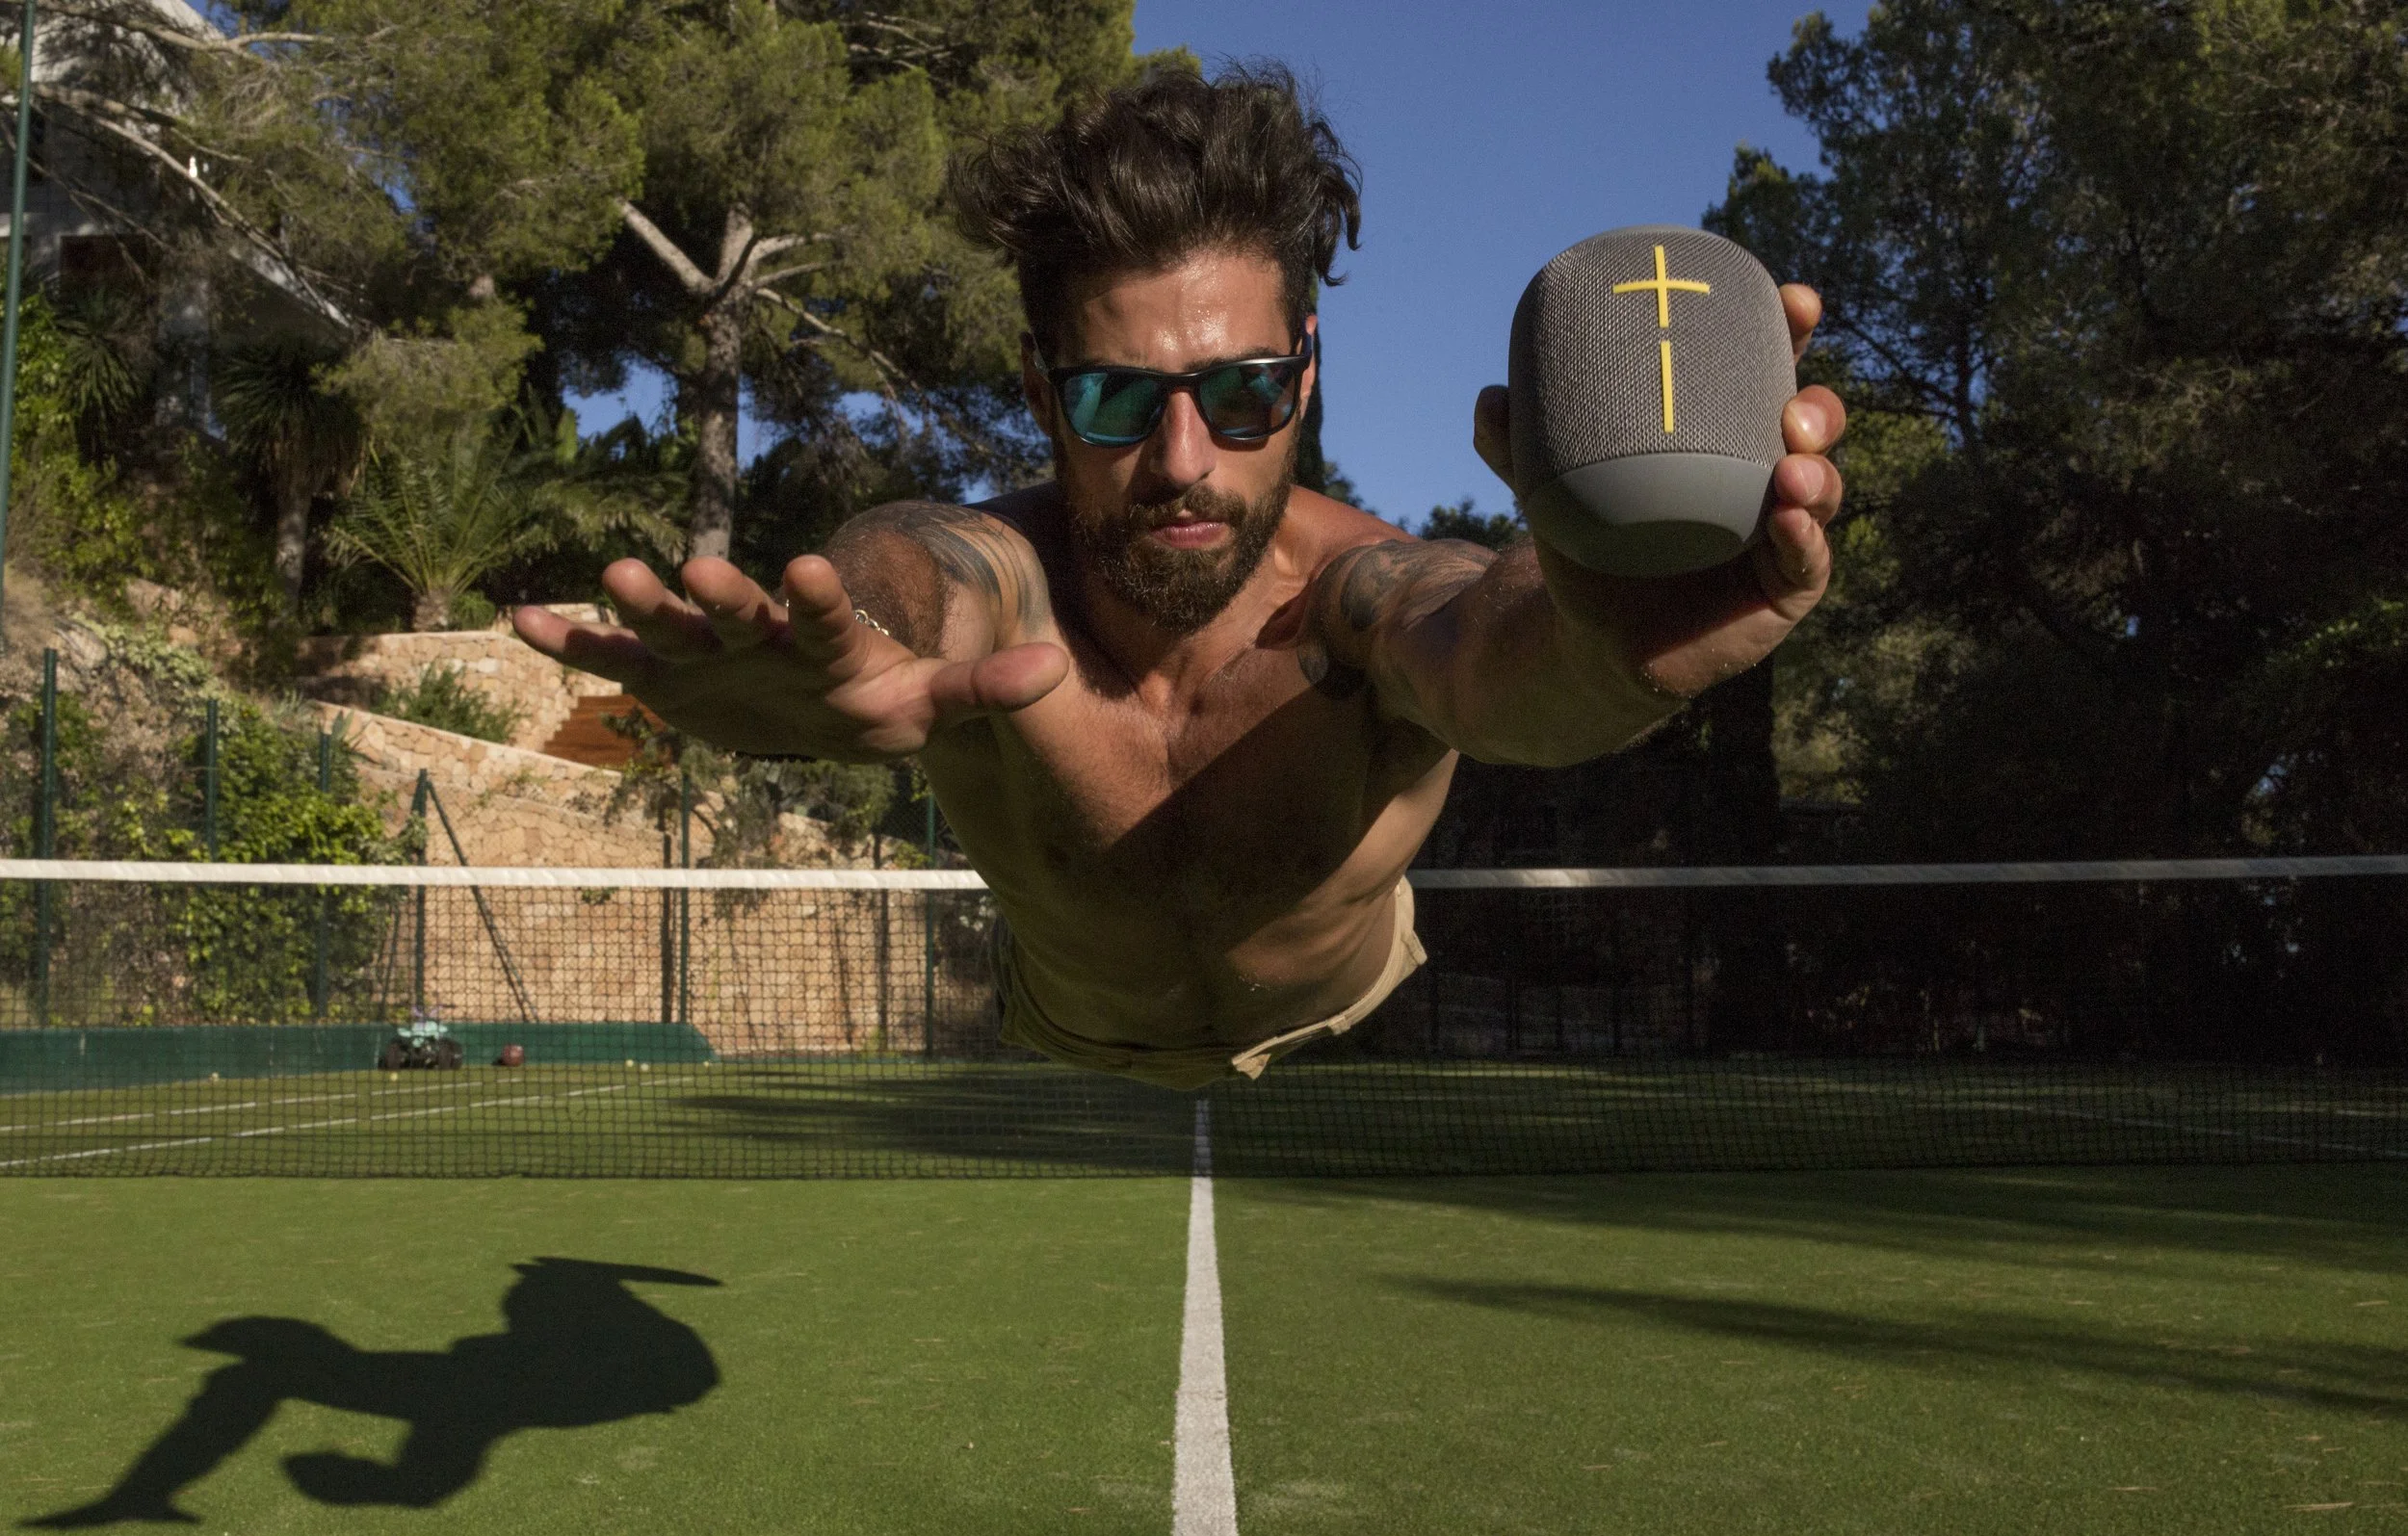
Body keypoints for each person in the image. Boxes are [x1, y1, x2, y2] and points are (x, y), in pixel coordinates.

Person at [515, 65, 1846, 1092]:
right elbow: (921, 572)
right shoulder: (1002, 589)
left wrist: (1600, 647)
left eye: (1246, 391)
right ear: (1039, 387)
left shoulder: (1358, 591)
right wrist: (852, 641)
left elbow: (1481, 644)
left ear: (1307, 374)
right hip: (1067, 1017)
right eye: (1113, 396)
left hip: (1341, 991)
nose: (1183, 458)